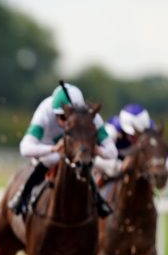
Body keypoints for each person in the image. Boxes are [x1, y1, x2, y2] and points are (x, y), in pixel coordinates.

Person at [8, 82, 117, 217]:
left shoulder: (90, 118)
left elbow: (112, 152)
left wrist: (97, 150)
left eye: (69, 117)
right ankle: (23, 195)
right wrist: (52, 149)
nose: (65, 123)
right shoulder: (45, 112)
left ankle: (98, 199)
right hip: (49, 147)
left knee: (85, 162)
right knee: (51, 159)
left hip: (76, 153)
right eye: (62, 117)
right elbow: (25, 148)